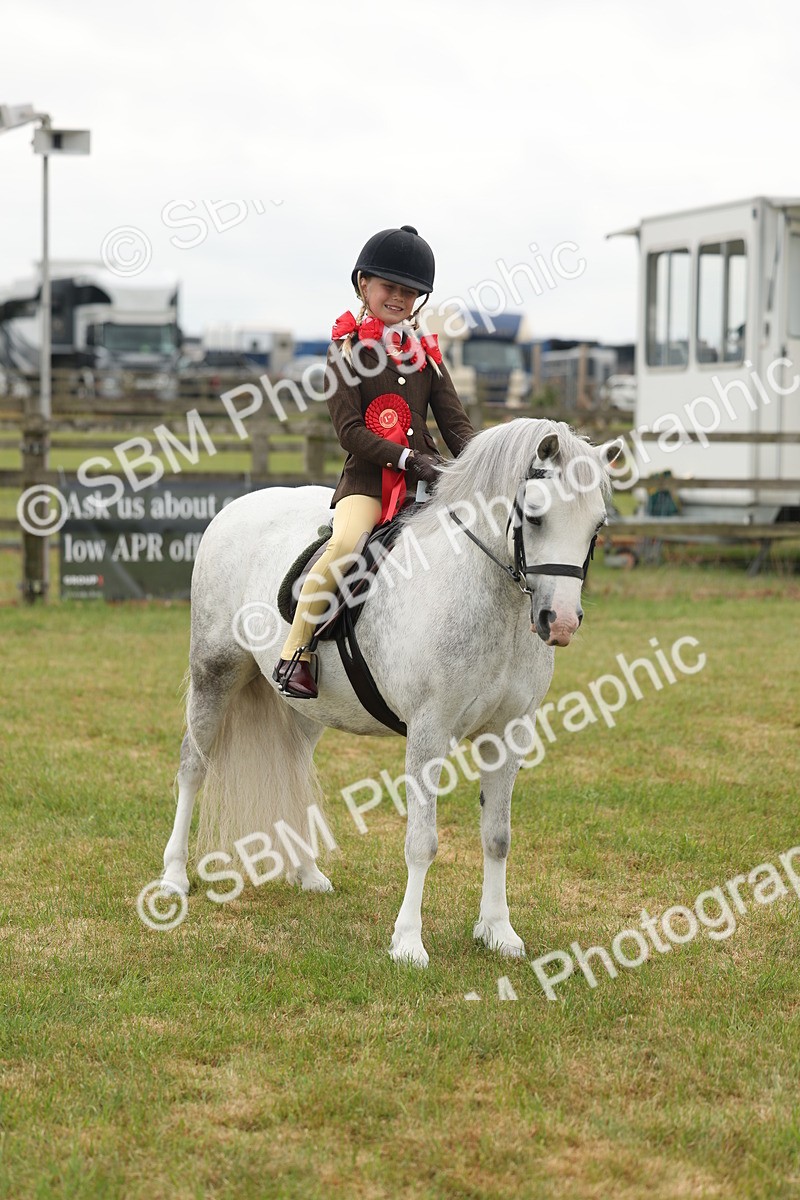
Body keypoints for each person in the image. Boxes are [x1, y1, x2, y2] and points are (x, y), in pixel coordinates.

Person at [273, 224, 475, 699]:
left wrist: (484, 461)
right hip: (367, 484)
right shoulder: (345, 352)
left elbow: (455, 425)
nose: (399, 298)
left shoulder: (426, 355)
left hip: (429, 484)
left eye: (410, 292)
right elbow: (350, 433)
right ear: (364, 283)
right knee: (345, 545)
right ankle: (295, 653)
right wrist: (407, 458)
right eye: (390, 288)